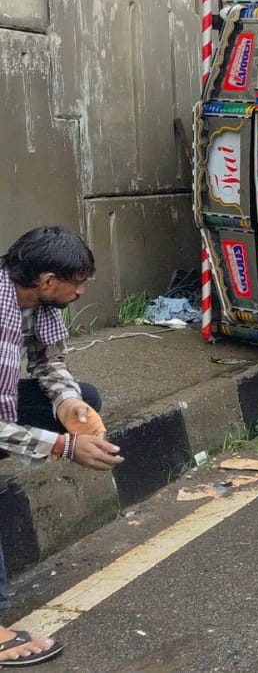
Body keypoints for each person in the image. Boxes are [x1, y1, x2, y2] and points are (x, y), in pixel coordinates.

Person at [1, 226, 124, 667]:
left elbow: (48, 363)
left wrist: (69, 405)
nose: (82, 290)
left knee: (84, 397)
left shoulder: (31, 302)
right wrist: (63, 447)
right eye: (78, 282)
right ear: (49, 281)